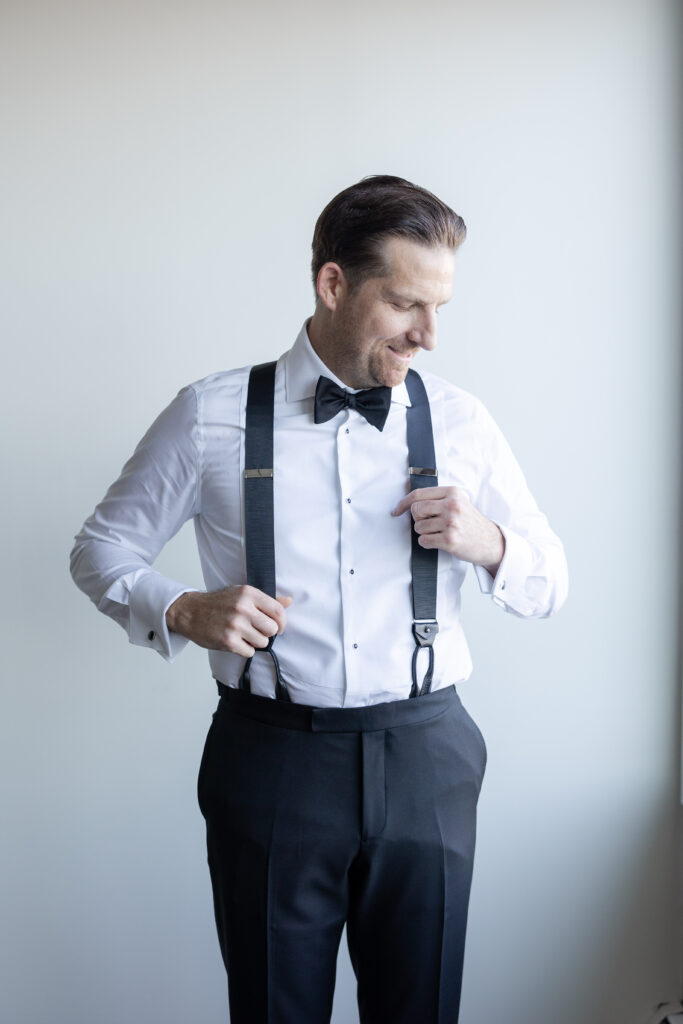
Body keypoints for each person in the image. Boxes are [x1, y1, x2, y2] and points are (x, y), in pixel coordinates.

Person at [70, 174, 568, 1024]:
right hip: (272, 760)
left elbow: (548, 583)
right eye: (407, 303)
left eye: (440, 305)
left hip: (427, 757)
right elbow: (100, 548)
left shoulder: (460, 420)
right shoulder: (210, 415)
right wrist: (182, 607)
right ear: (332, 283)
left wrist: (487, 541)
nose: (430, 334)